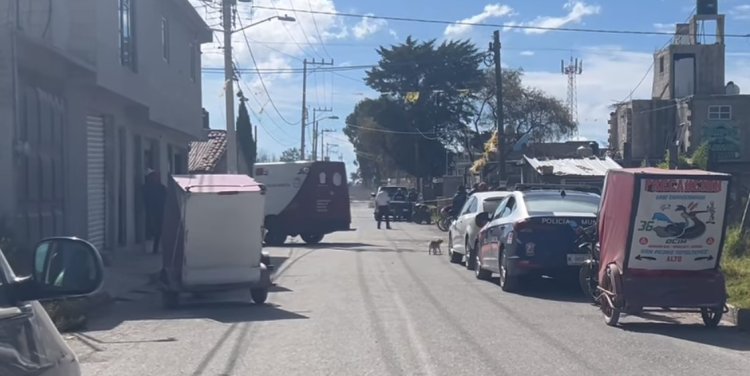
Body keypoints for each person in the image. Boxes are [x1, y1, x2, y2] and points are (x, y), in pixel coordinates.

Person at [143, 169, 167, 254]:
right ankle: (155, 248)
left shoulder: (161, 188)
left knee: (160, 230)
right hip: (152, 212)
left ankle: (158, 248)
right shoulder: (147, 188)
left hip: (161, 211)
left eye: (157, 177)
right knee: (156, 230)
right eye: (154, 177)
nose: (156, 178)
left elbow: (166, 198)